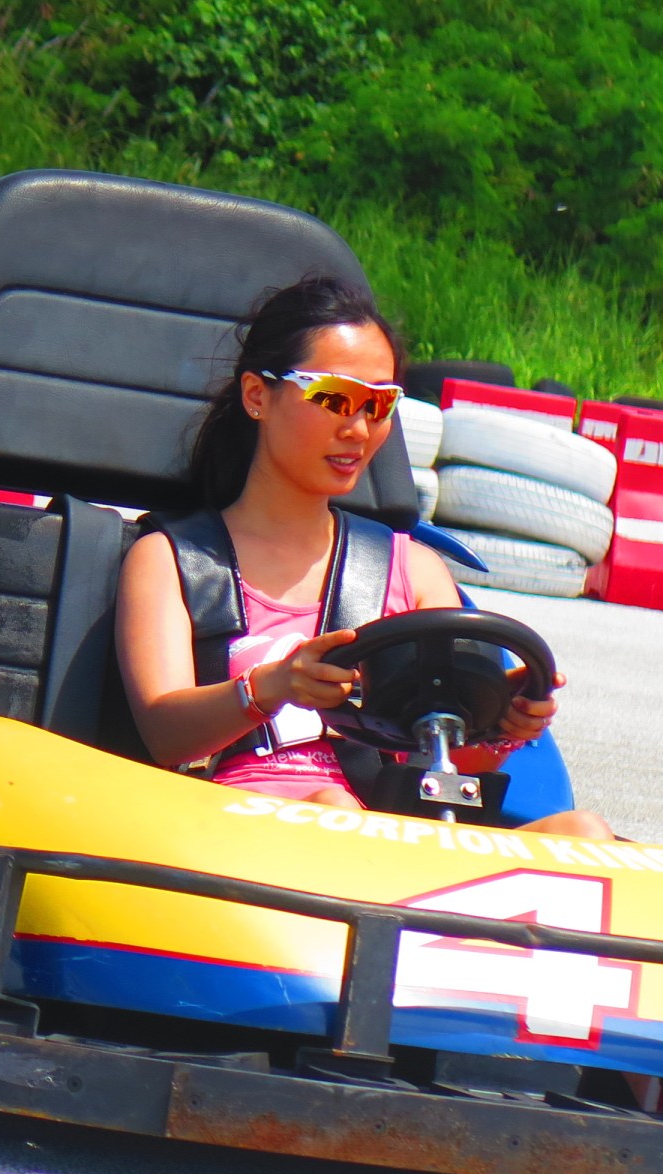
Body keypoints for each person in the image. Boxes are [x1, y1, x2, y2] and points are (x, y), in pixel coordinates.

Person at [115, 275, 616, 839]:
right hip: (233, 835)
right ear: (257, 396)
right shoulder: (171, 559)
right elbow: (162, 735)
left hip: (386, 830)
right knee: (333, 808)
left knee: (584, 833)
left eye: (379, 403)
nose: (358, 428)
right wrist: (270, 686)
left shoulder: (414, 569)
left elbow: (442, 769)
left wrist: (497, 726)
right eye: (334, 397)